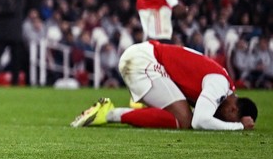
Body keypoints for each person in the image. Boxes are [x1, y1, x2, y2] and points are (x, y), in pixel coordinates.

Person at [71, 40, 258, 130]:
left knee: (180, 115)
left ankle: (128, 110)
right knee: (184, 120)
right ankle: (110, 113)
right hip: (144, 61)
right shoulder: (219, 85)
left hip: (144, 57)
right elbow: (199, 121)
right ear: (233, 110)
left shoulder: (222, 84)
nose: (222, 121)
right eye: (228, 120)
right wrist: (239, 127)